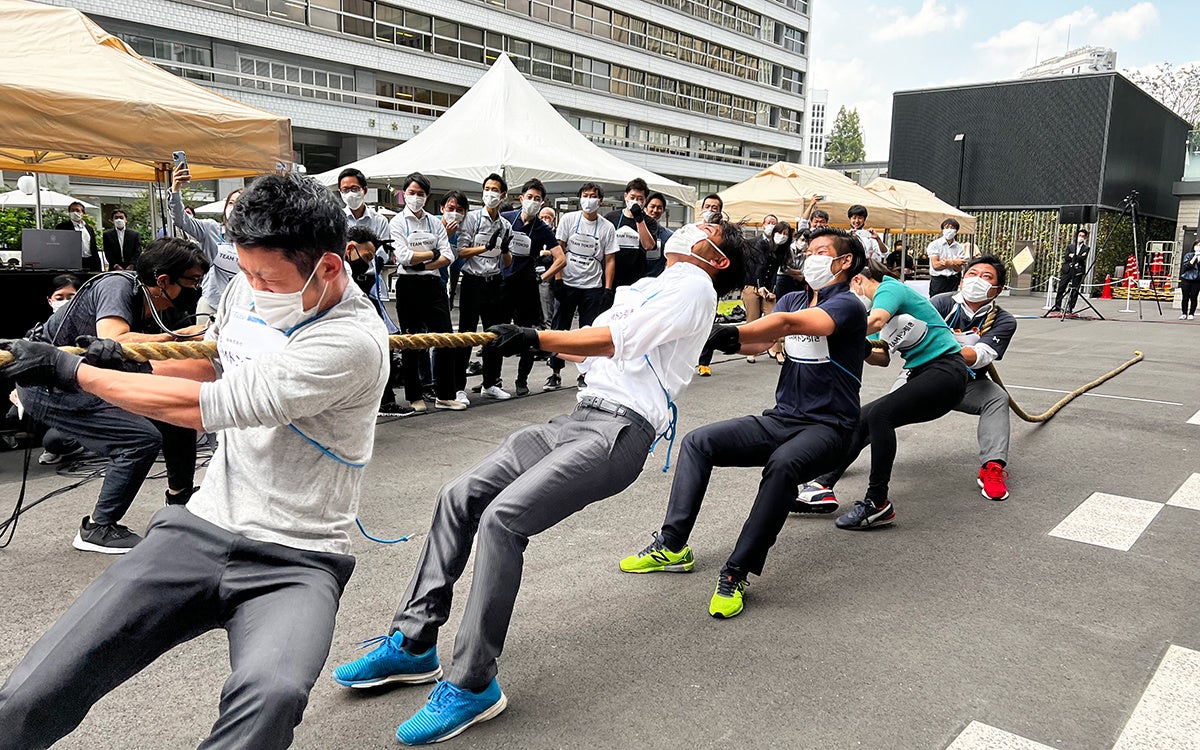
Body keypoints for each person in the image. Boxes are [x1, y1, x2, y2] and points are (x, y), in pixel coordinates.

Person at [0, 172, 389, 750]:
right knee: (37, 688)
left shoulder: (352, 341)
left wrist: (74, 371)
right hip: (202, 527)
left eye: (266, 277)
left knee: (272, 695)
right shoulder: (245, 292)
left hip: (299, 557)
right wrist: (131, 364)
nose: (253, 287)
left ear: (328, 267)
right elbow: (213, 367)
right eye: (245, 271)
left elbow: (211, 406)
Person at [330, 219, 747, 745]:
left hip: (621, 430)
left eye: (707, 228)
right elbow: (585, 348)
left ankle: (473, 683)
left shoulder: (696, 285)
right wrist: (530, 334)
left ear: (718, 258)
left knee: (503, 520)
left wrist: (537, 335)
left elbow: (613, 339)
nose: (692, 229)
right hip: (577, 417)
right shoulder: (647, 286)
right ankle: (413, 642)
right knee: (460, 496)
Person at [618, 227, 867, 619]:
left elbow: (786, 325)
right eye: (808, 250)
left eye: (820, 251)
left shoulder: (848, 305)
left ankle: (737, 571)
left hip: (831, 427)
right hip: (783, 419)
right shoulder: (793, 297)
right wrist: (716, 339)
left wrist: (727, 330)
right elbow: (759, 342)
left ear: (845, 261)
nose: (810, 257)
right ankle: (672, 545)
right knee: (699, 442)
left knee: (783, 465)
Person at [12, 239, 209, 552]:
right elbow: (115, 338)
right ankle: (98, 527)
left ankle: (180, 502)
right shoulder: (117, 285)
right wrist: (180, 336)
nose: (196, 288)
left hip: (91, 379)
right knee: (139, 439)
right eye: (193, 281)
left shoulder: (164, 309)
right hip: (50, 384)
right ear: (163, 280)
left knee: (177, 413)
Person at [796, 260, 971, 528]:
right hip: (922, 374)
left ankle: (877, 503)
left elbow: (875, 321)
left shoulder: (889, 289)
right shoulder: (874, 312)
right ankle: (822, 486)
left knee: (880, 415)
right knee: (861, 419)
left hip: (946, 370)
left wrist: (832, 331)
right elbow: (882, 358)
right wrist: (857, 347)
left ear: (857, 280)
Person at [927, 256, 1018, 500]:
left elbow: (979, 356)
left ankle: (992, 467)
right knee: (882, 413)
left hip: (967, 384)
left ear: (997, 289)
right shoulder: (940, 303)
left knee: (997, 398)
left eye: (986, 277)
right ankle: (837, 460)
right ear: (961, 281)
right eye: (972, 274)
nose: (977, 280)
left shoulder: (1004, 320)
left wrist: (941, 348)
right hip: (923, 378)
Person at [338, 168, 407, 416]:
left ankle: (386, 399)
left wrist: (370, 260)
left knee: (381, 338)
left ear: (364, 190)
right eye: (345, 189)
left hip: (370, 284)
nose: (350, 193)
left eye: (354, 188)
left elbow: (384, 253)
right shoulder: (336, 219)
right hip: (342, 284)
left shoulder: (379, 220)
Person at [390, 174, 460, 412]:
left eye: (421, 194)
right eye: (412, 193)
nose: (416, 197)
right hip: (408, 285)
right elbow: (403, 256)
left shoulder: (434, 222)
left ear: (427, 197)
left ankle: (445, 394)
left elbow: (448, 255)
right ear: (404, 194)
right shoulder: (398, 222)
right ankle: (414, 396)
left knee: (445, 339)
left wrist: (423, 264)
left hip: (433, 284)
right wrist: (432, 254)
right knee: (411, 341)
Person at [542, 182, 618, 391]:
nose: (589, 199)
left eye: (593, 196)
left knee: (589, 333)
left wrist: (608, 289)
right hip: (568, 283)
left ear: (600, 201)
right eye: (585, 195)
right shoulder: (568, 219)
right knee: (560, 330)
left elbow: (610, 259)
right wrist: (558, 280)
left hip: (592, 286)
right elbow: (558, 250)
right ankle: (555, 372)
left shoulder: (607, 227)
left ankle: (586, 374)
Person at [455, 173, 514, 402]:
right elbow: (461, 252)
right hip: (472, 281)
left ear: (503, 195)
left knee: (494, 335)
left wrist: (505, 250)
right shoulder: (471, 219)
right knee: (466, 334)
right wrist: (484, 247)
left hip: (494, 282)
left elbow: (507, 262)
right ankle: (458, 387)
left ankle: (490, 383)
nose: (490, 193)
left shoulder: (505, 225)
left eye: (494, 189)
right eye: (487, 189)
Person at [500, 178, 558, 396]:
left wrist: (542, 278)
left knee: (526, 335)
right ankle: (491, 380)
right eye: (530, 197)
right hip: (503, 282)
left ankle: (521, 380)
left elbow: (561, 258)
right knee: (496, 331)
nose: (533, 201)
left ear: (542, 203)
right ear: (521, 198)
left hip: (527, 285)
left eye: (537, 199)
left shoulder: (543, 228)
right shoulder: (507, 218)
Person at [169, 166, 244, 318]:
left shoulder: (257, 240)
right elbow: (181, 220)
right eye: (230, 203)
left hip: (241, 305)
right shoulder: (211, 229)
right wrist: (176, 190)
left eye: (238, 204)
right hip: (211, 303)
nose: (233, 208)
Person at [605, 178, 660, 287]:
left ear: (645, 200)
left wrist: (639, 219)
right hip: (612, 277)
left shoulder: (650, 222)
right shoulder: (611, 217)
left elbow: (648, 246)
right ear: (625, 196)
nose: (635, 201)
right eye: (632, 197)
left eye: (640, 199)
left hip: (636, 279)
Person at [1052, 228, 1090, 313]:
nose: (1081, 237)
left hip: (1077, 270)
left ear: (1085, 238)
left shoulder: (1086, 248)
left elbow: (1083, 258)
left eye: (1083, 236)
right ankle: (1057, 306)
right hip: (1068, 269)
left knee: (1075, 289)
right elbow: (1066, 256)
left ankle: (1070, 307)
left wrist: (1074, 256)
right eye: (1079, 235)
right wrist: (1074, 256)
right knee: (1061, 287)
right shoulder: (1070, 246)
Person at [926, 218, 967, 296]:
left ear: (956, 231)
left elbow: (959, 268)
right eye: (947, 227)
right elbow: (936, 265)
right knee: (936, 300)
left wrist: (948, 263)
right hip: (939, 280)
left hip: (953, 279)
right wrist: (954, 262)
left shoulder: (959, 247)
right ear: (942, 230)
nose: (949, 230)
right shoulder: (934, 244)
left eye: (952, 227)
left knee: (951, 300)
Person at [55, 202, 100, 271]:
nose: (75, 213)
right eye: (72, 210)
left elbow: (93, 247)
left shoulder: (89, 228)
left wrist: (98, 264)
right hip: (72, 262)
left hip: (90, 261)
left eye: (77, 210)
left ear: (83, 213)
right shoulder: (62, 227)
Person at [643, 192, 672, 277]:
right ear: (645, 208)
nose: (655, 210)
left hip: (657, 280)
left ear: (663, 211)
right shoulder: (634, 230)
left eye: (659, 208)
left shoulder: (669, 236)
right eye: (652, 206)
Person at [1180, 239, 1200, 320]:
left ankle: (1191, 313)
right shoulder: (1188, 255)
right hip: (1186, 278)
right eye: (1197, 245)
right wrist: (1195, 256)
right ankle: (1184, 313)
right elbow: (1187, 266)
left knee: (1194, 297)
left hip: (1197, 280)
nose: (1198, 247)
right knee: (1185, 297)